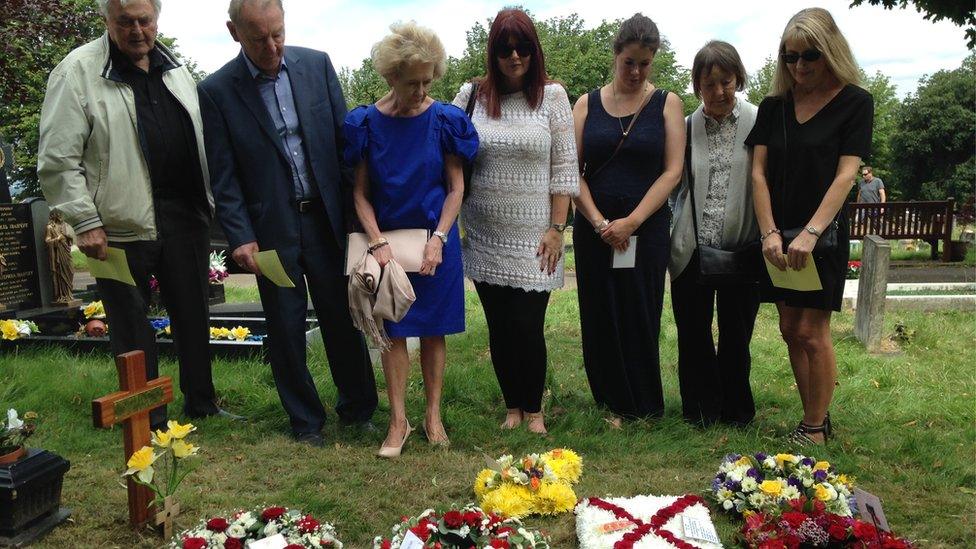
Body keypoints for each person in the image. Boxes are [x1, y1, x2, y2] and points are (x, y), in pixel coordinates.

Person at [38, 0, 234, 430]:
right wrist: (84, 221)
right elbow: (57, 159)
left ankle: (202, 401)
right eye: (125, 21)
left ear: (157, 19)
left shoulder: (176, 69)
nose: (137, 30)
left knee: (193, 314)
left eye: (145, 20)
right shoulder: (76, 73)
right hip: (116, 226)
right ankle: (146, 414)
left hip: (184, 216)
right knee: (131, 325)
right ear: (106, 21)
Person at [198, 0, 377, 447]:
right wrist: (241, 237)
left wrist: (358, 219)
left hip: (326, 221)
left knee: (343, 316)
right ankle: (305, 421)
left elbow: (344, 148)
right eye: (259, 38)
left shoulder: (316, 66)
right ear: (233, 32)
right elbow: (224, 174)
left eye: (277, 33)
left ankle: (358, 410)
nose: (273, 45)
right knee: (285, 324)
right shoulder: (217, 90)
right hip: (272, 228)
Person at [346, 22, 477, 457]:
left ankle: (433, 415)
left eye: (428, 80)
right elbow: (360, 194)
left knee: (434, 330)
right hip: (388, 246)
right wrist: (377, 242)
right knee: (393, 331)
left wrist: (439, 237)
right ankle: (397, 422)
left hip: (435, 241)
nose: (422, 89)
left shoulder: (445, 121)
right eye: (413, 81)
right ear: (390, 77)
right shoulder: (365, 123)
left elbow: (456, 188)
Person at [746, 7, 873, 444]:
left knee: (810, 331)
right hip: (777, 239)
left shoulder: (855, 103)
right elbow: (758, 174)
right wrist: (769, 233)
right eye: (790, 56)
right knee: (787, 329)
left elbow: (846, 174)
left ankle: (815, 429)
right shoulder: (773, 107)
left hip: (821, 235)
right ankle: (812, 415)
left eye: (810, 56)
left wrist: (811, 232)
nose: (799, 66)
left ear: (830, 51)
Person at [451, 8, 578, 435]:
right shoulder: (471, 95)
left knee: (528, 325)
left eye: (522, 47)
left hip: (537, 237)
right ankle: (512, 407)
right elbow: (443, 144)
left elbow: (564, 167)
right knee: (500, 326)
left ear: (534, 50)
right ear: (493, 52)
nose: (514, 56)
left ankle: (535, 410)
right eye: (505, 49)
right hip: (484, 233)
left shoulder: (553, 96)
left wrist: (557, 229)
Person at [571, 13, 685, 422]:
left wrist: (631, 222)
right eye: (629, 62)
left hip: (646, 228)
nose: (636, 71)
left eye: (645, 63)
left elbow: (672, 171)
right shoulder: (585, 104)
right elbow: (572, 171)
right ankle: (610, 401)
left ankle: (643, 403)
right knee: (600, 310)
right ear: (616, 55)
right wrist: (602, 223)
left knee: (639, 310)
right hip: (595, 230)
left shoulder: (667, 103)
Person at [669, 41, 760, 427]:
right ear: (697, 87)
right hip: (693, 246)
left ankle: (735, 410)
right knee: (693, 333)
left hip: (743, 246)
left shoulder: (758, 121)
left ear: (738, 78)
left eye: (726, 81)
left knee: (737, 334)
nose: (719, 91)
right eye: (709, 85)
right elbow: (672, 182)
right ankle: (700, 410)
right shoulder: (686, 127)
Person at [45, 211, 76, 304]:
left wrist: (67, 237)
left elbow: (70, 239)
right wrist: (58, 239)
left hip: (66, 251)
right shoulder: (50, 227)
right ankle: (64, 295)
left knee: (70, 270)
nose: (60, 216)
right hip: (58, 253)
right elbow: (47, 241)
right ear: (53, 216)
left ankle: (69, 294)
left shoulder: (64, 226)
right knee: (61, 273)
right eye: (58, 214)